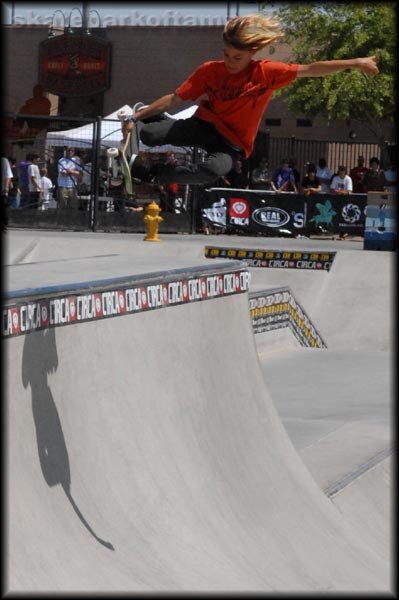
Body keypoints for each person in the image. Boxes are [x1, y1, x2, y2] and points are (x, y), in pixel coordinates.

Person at [121, 13, 378, 187]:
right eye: (227, 55)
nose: (230, 63)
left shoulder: (266, 72)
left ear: (251, 53)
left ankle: (152, 175)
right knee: (149, 136)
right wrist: (135, 118)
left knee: (211, 172)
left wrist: (355, 63)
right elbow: (175, 99)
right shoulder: (210, 71)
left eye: (237, 58)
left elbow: (312, 69)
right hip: (204, 126)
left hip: (232, 145)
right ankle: (148, 120)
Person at [2, 154, 13, 228]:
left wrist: (6, 187)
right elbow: (8, 175)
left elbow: (7, 175)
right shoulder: (4, 161)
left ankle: (4, 222)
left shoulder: (4, 161)